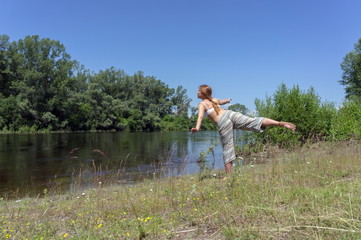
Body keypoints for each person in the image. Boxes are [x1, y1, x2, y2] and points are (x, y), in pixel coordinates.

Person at [191, 84, 296, 174]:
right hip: (230, 114)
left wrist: (197, 127)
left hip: (223, 121)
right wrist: (227, 101)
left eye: (199, 90)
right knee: (253, 121)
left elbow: (200, 116)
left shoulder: (202, 104)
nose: (197, 92)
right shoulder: (214, 100)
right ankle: (279, 123)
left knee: (227, 147)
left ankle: (229, 176)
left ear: (203, 93)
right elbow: (222, 102)